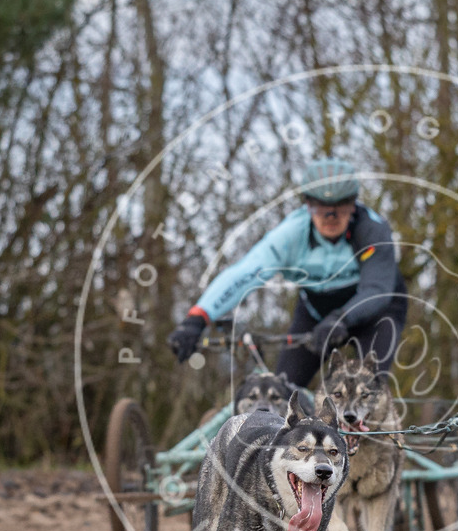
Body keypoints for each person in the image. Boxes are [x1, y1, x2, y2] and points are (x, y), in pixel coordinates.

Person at [168, 158, 408, 388]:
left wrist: (341, 319)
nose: (331, 217)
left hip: (376, 311)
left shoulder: (373, 231)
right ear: (308, 205)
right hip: (316, 312)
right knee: (282, 388)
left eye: (341, 207)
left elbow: (377, 290)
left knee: (367, 390)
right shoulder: (291, 234)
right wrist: (198, 318)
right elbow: (246, 272)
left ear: (353, 204)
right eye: (321, 208)